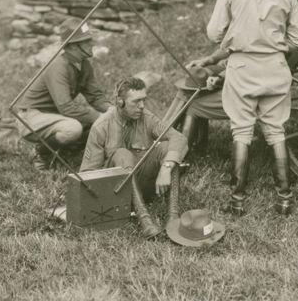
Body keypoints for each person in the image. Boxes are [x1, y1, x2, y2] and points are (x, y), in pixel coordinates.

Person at [206, 0, 298, 216]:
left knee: (241, 130)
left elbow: (214, 33)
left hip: (242, 67)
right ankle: (284, 199)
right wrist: (275, 43)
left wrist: (238, 34)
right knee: (276, 131)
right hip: (275, 66)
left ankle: (237, 201)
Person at [81, 77, 188, 239]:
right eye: (136, 102)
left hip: (143, 185)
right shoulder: (101, 126)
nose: (142, 106)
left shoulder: (146, 116)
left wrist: (166, 168)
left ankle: (173, 217)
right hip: (115, 191)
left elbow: (178, 138)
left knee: (168, 149)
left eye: (143, 100)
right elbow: (88, 173)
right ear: (120, 102)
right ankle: (145, 222)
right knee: (122, 154)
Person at [16, 17, 110, 169]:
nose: (91, 43)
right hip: (32, 116)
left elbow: (96, 97)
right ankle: (42, 153)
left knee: (99, 126)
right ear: (73, 46)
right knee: (73, 128)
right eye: (86, 41)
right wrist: (100, 118)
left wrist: (113, 111)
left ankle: (64, 153)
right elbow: (66, 107)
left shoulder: (84, 65)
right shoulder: (58, 66)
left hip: (56, 116)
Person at [160, 47, 230, 157]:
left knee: (193, 103)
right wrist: (209, 61)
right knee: (190, 88)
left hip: (246, 82)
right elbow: (229, 48)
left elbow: (242, 63)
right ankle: (166, 135)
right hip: (233, 70)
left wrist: (220, 77)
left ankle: (177, 154)